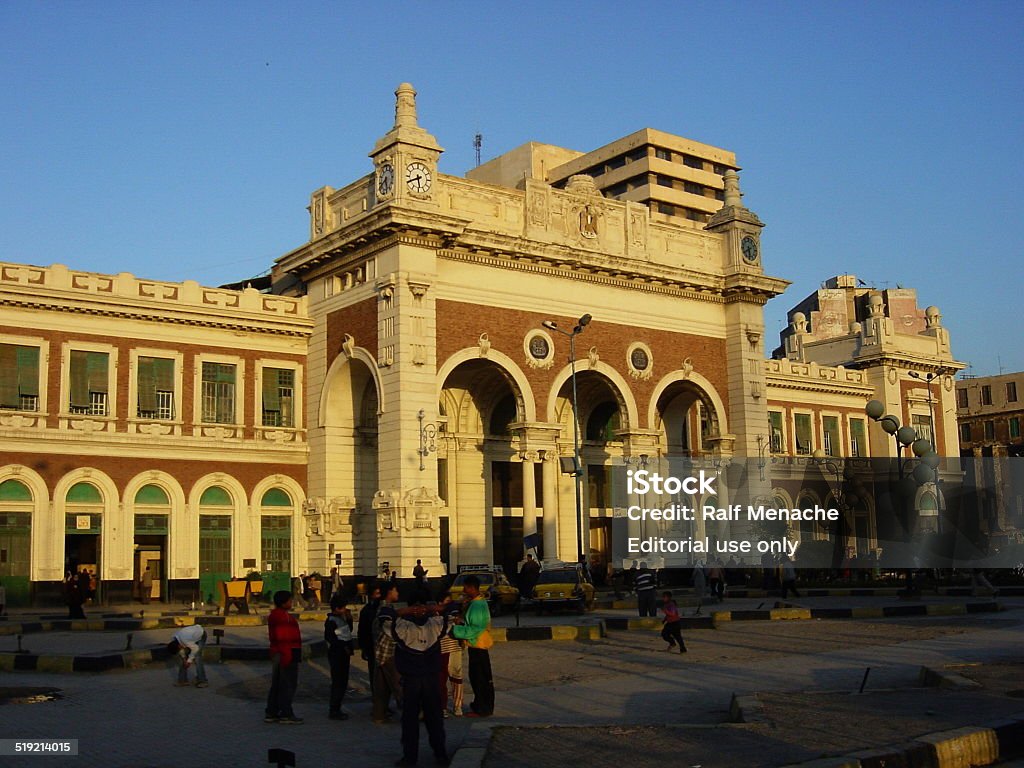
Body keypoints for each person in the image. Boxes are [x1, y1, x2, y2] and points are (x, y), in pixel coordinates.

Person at [391, 602, 453, 767]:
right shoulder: (437, 625)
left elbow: (384, 616)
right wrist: (434, 608)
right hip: (431, 679)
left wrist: (405, 610)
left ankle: (410, 757)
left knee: (410, 721)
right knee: (435, 719)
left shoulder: (401, 627)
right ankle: (440, 754)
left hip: (411, 679)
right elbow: (453, 611)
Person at [451, 574, 494, 717]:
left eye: (465, 587)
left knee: (479, 678)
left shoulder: (476, 605)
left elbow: (475, 628)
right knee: (480, 677)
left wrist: (455, 631)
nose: (463, 589)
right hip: (478, 644)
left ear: (471, 588)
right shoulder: (478, 602)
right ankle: (481, 705)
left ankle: (482, 708)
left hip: (478, 645)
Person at [265, 590, 303, 724]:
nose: (291, 603)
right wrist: (287, 655)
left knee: (277, 683)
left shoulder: (277, 615)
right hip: (286, 651)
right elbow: (283, 637)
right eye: (289, 601)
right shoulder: (281, 617)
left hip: (280, 652)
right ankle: (285, 712)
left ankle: (272, 711)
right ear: (284, 603)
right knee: (287, 684)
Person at [371, 585, 402, 723]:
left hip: (380, 651)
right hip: (388, 651)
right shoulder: (386, 610)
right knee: (398, 685)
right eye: (395, 590)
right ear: (389, 592)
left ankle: (379, 715)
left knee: (381, 686)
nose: (398, 593)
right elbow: (390, 631)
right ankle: (411, 712)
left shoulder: (381, 608)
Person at [324, 596, 354, 720]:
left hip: (343, 653)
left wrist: (349, 620)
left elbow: (347, 631)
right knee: (338, 682)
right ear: (337, 608)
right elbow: (331, 638)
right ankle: (334, 709)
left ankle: (337, 707)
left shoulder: (341, 619)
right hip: (337, 654)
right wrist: (343, 647)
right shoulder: (331, 621)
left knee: (343, 681)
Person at [438, 593, 465, 717]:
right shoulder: (437, 619)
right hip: (443, 650)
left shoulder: (455, 617)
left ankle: (457, 705)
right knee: (441, 679)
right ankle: (442, 706)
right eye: (446, 601)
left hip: (455, 649)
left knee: (457, 678)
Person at [358, 585, 383, 693]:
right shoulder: (366, 611)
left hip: (383, 648)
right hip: (372, 647)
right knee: (374, 675)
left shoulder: (384, 609)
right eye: (377, 594)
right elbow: (362, 630)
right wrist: (364, 648)